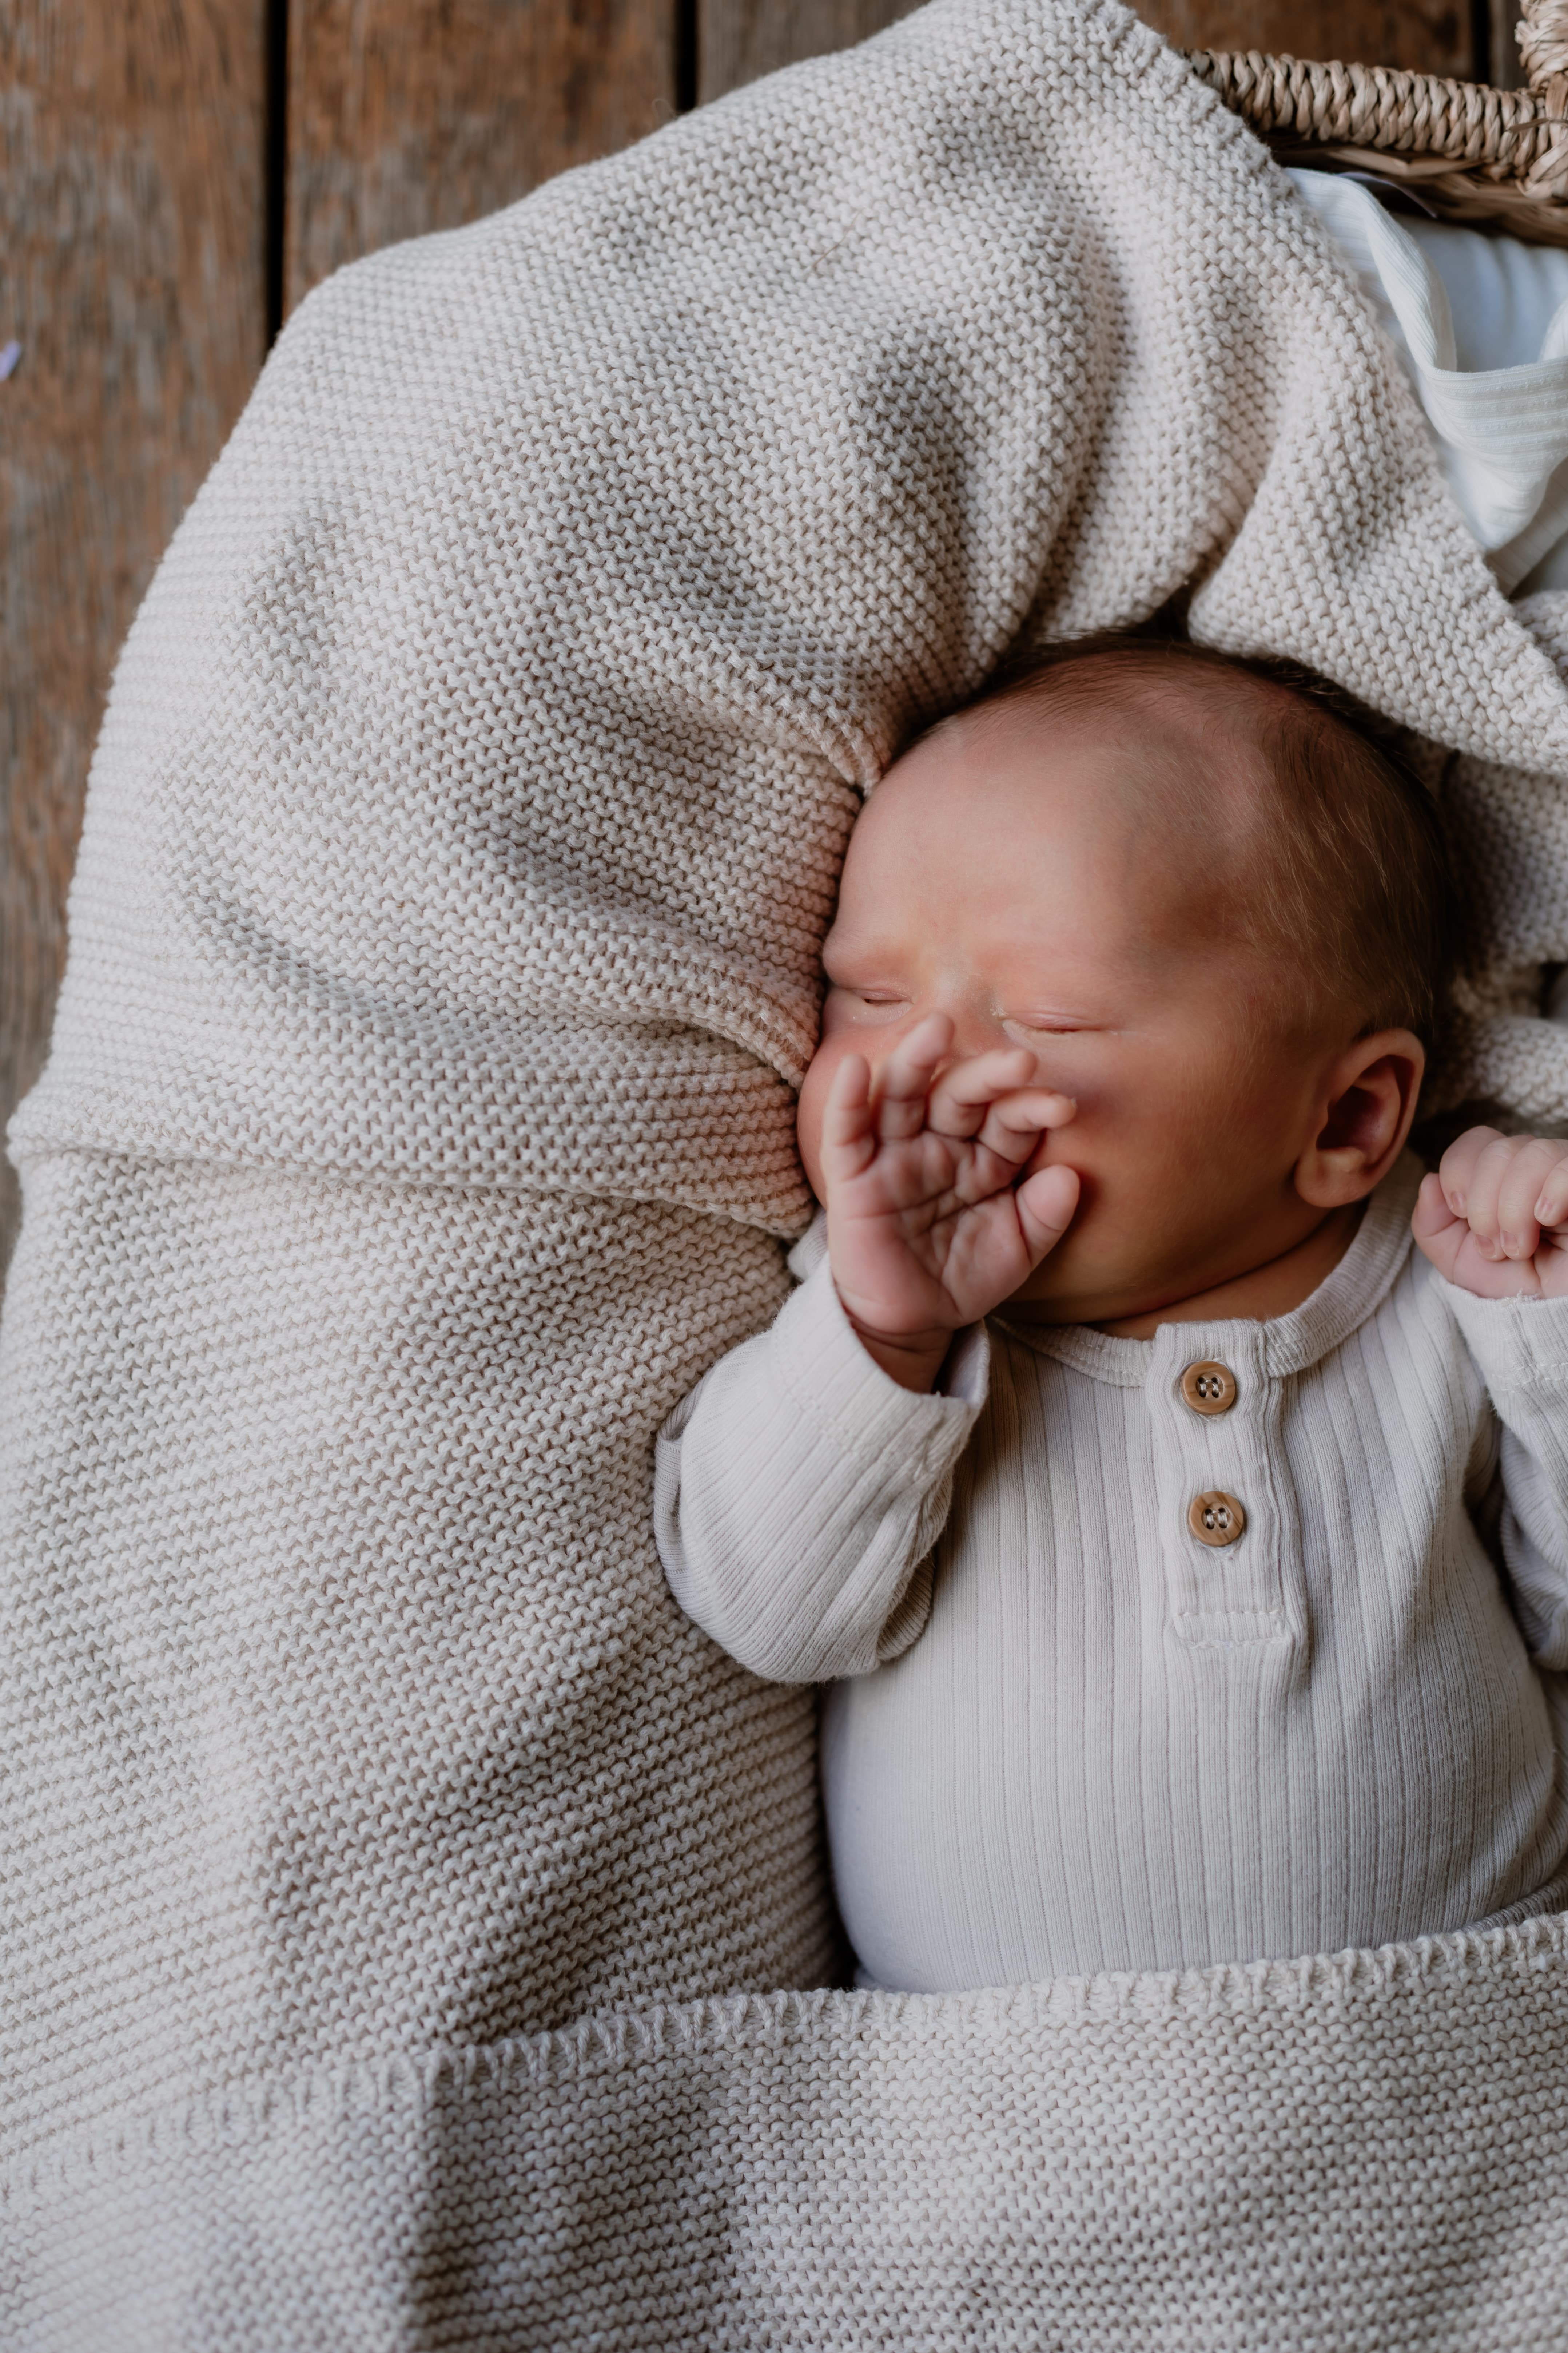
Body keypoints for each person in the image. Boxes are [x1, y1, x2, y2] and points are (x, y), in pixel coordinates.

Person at [654, 637, 1568, 1993]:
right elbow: (767, 1612)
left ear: (1347, 1117)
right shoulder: (884, 1334)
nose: (926, 1069)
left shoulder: (1449, 1291)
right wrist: (880, 1336)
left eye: (1054, 1016)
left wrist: (1546, 1322)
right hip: (1007, 2092)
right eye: (871, 994)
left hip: (1466, 2051)